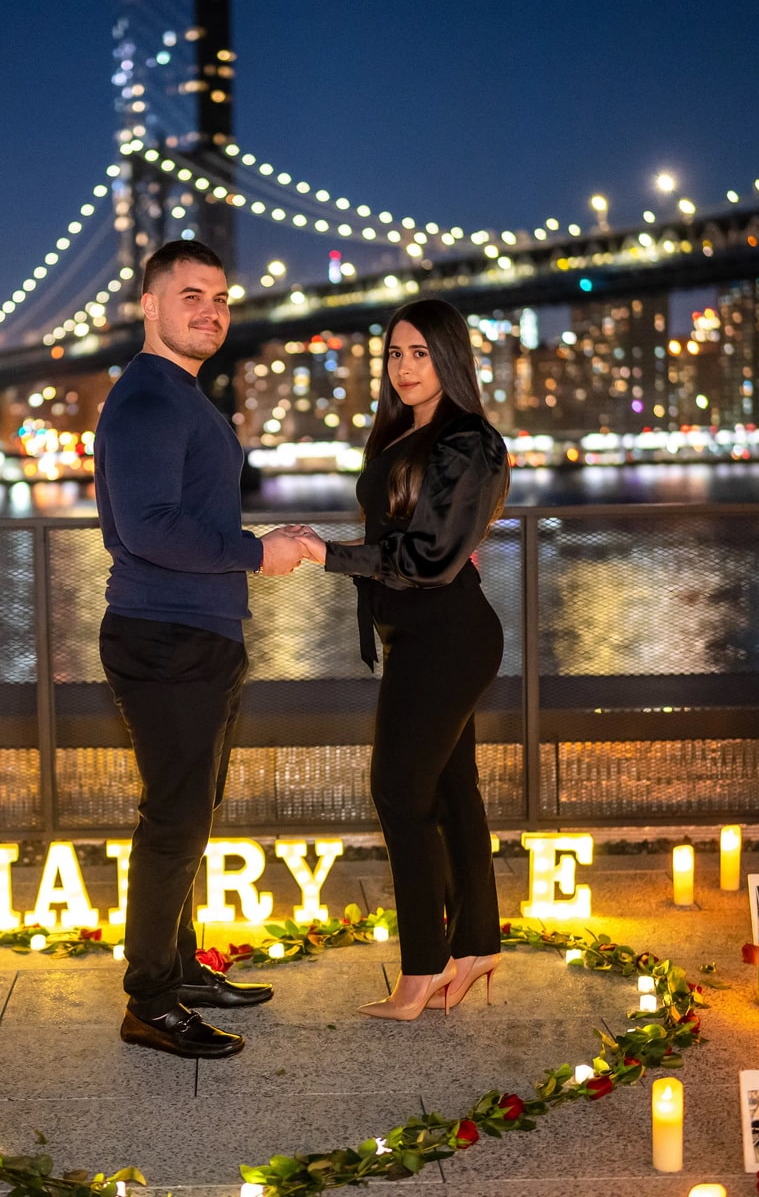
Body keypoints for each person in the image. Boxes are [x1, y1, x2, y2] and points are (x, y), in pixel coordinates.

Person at [94, 239, 314, 1059]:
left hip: (200, 631)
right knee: (174, 822)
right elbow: (147, 528)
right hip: (167, 637)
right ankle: (149, 1004)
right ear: (149, 307)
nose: (210, 311)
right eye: (190, 295)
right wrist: (261, 554)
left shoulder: (179, 395)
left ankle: (179, 970)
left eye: (220, 298)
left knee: (190, 812)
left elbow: (187, 518)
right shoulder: (150, 399)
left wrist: (261, 544)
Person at [292, 298, 510, 1019]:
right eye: (394, 353)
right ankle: (475, 943)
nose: (404, 367)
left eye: (420, 352)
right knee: (449, 792)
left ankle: (421, 971)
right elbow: (402, 539)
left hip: (448, 634)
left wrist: (325, 553)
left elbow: (428, 556)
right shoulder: (408, 433)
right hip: (418, 634)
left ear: (449, 358)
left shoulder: (467, 442)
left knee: (397, 790)